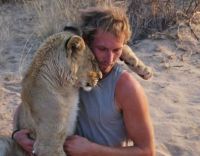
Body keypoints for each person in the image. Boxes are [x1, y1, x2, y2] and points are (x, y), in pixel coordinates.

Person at [13, 5, 155, 156]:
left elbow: (147, 151)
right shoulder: (68, 71)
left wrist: (92, 150)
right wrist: (17, 134)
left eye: (117, 50)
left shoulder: (126, 87)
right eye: (102, 49)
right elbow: (29, 105)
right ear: (85, 43)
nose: (110, 59)